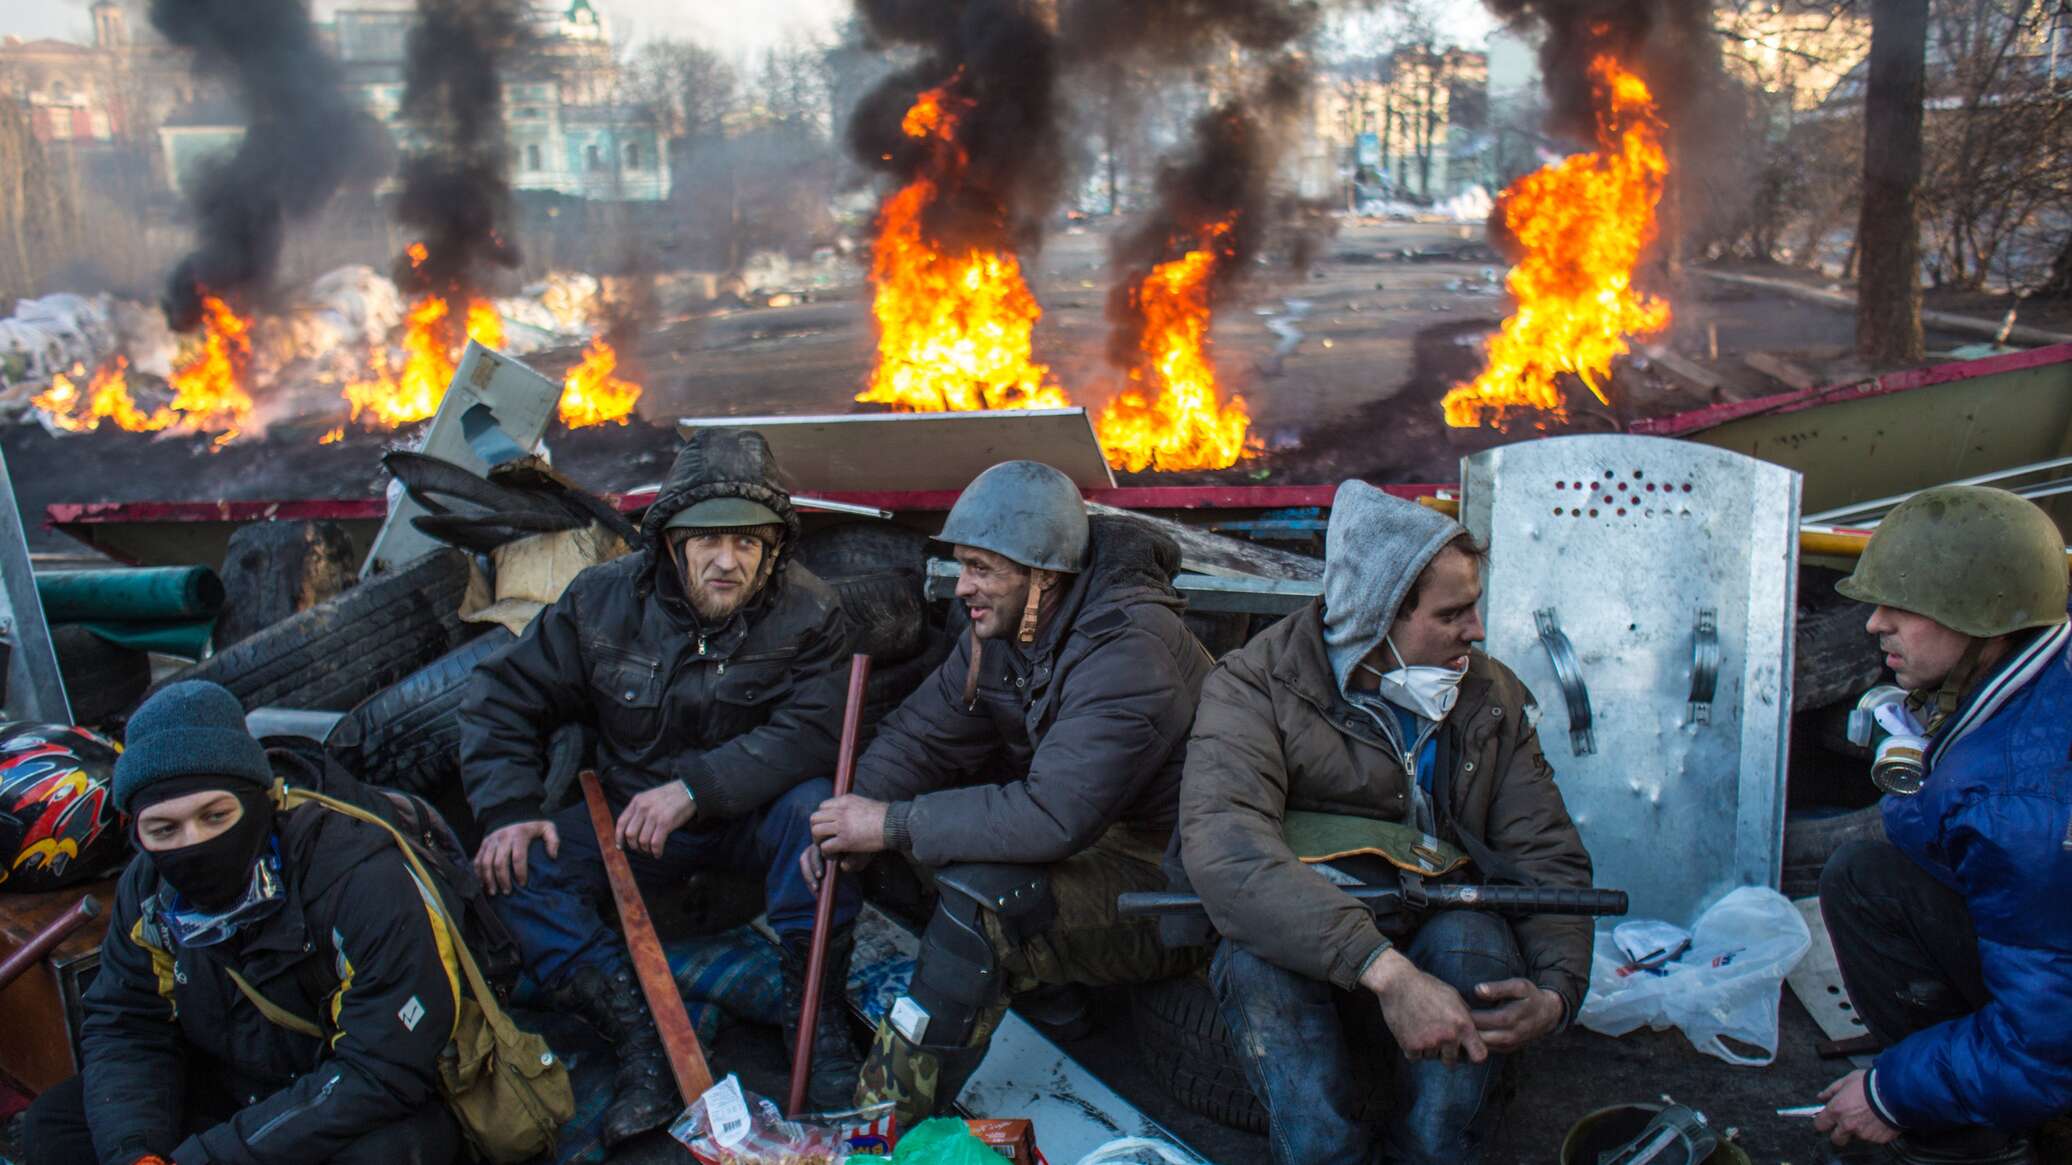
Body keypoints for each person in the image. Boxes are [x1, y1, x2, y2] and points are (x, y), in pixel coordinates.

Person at [1176, 481, 1594, 1165]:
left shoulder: (1492, 697)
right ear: (1380, 615)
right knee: (1262, 969)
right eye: (1455, 612)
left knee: (1474, 948)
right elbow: (1230, 856)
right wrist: (1387, 972)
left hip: (1440, 921)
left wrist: (1554, 993)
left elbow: (1546, 855)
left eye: (1475, 607)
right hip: (1318, 930)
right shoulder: (1253, 686)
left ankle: (1435, 1151)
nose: (1478, 630)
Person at [458, 426, 860, 1135]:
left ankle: (817, 1024)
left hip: (748, 823)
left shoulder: (812, 610)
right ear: (672, 543)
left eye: (748, 542)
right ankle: (638, 1037)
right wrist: (510, 809)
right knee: (511, 868)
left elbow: (813, 730)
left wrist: (697, 787)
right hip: (630, 828)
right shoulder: (602, 601)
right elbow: (502, 696)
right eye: (708, 540)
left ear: (773, 549)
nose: (727, 561)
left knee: (824, 815)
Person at [804, 460, 1211, 1121]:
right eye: (963, 565)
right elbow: (924, 735)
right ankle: (1053, 991)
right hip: (1095, 830)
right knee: (929, 826)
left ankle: (879, 1129)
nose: (962, 587)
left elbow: (1053, 817)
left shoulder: (1130, 649)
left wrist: (888, 822)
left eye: (981, 568)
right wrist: (848, 819)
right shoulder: (1003, 627)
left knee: (982, 909)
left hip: (1174, 873)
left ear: (1043, 575)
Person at [23, 681, 466, 1165]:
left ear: (258, 801)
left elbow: (383, 1071)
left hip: (361, 1098)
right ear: (139, 833)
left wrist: (210, 1157)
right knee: (59, 1121)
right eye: (164, 829)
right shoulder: (146, 889)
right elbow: (128, 1025)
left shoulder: (358, 877)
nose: (192, 843)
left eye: (215, 816)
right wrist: (135, 1150)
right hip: (239, 1086)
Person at [1814, 485, 2071, 1165]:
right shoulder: (2042, 656)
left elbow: (2047, 1042)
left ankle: (1972, 1142)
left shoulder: (2018, 808)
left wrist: (1890, 1093)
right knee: (1867, 877)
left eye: (1903, 606)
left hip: (2055, 1035)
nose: (1874, 624)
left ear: (1982, 619)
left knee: (1861, 882)